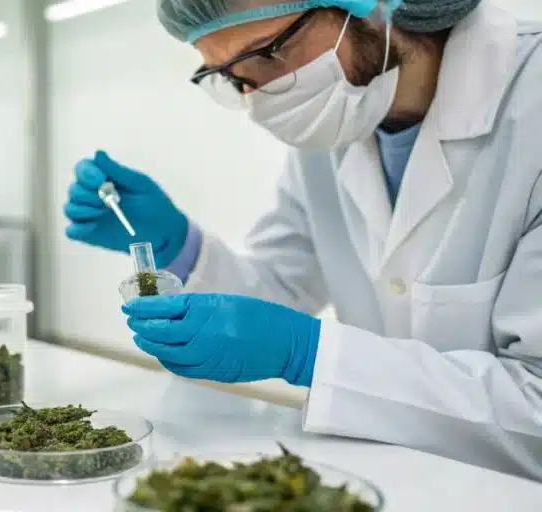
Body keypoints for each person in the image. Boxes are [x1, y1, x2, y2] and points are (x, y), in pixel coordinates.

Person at [63, 0, 542, 480]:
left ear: (374, 8)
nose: (258, 98)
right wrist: (178, 249)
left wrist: (309, 354)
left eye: (268, 54)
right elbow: (276, 292)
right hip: (394, 474)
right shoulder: (343, 119)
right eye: (232, 78)